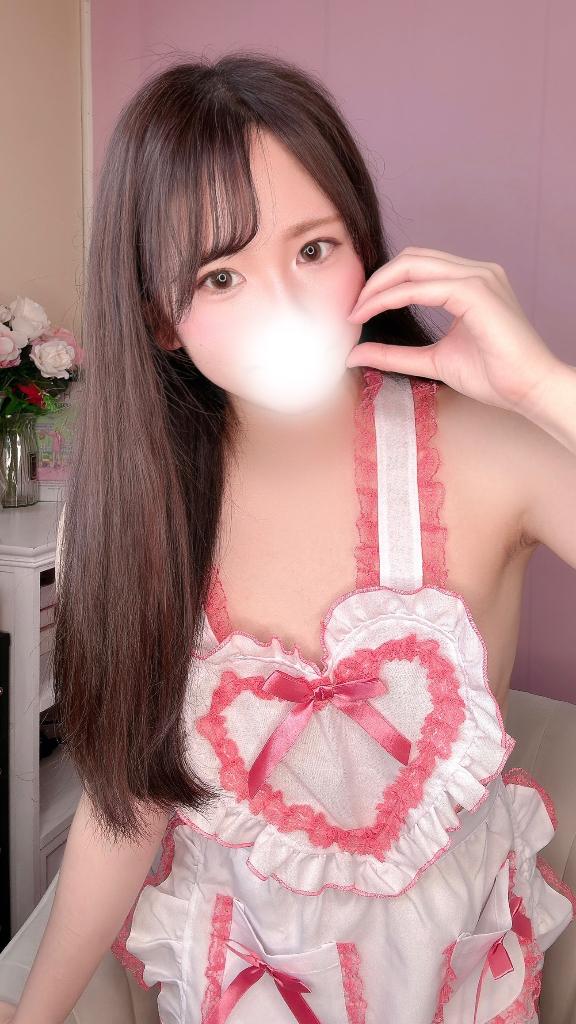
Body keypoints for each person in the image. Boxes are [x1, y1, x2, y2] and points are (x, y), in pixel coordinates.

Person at [3, 51, 576, 1024]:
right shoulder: (145, 507)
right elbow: (129, 801)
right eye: (222, 274)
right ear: (162, 319)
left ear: (364, 246)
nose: (283, 299)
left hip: (454, 978)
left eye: (313, 249)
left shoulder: (491, 451)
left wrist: (548, 391)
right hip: (236, 980)